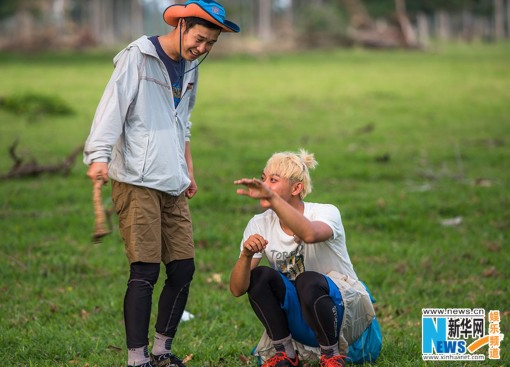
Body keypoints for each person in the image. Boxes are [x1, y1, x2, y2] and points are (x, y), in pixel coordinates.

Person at [83, 1, 239, 366]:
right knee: (145, 270)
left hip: (173, 180)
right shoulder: (138, 56)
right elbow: (111, 108)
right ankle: (137, 359)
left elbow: (182, 120)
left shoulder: (190, 67)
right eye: (200, 39)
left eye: (210, 44)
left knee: (183, 269)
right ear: (181, 25)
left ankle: (162, 352)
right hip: (137, 178)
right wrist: (99, 156)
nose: (202, 49)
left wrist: (189, 169)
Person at [229, 149, 381, 367]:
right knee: (260, 275)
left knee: (307, 280)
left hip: (344, 314)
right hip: (302, 315)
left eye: (273, 180)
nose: (264, 185)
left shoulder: (326, 212)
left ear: (296, 188)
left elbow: (309, 234)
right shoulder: (259, 223)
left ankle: (331, 356)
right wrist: (246, 254)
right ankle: (286, 354)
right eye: (263, 179)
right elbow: (237, 289)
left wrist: (271, 199)